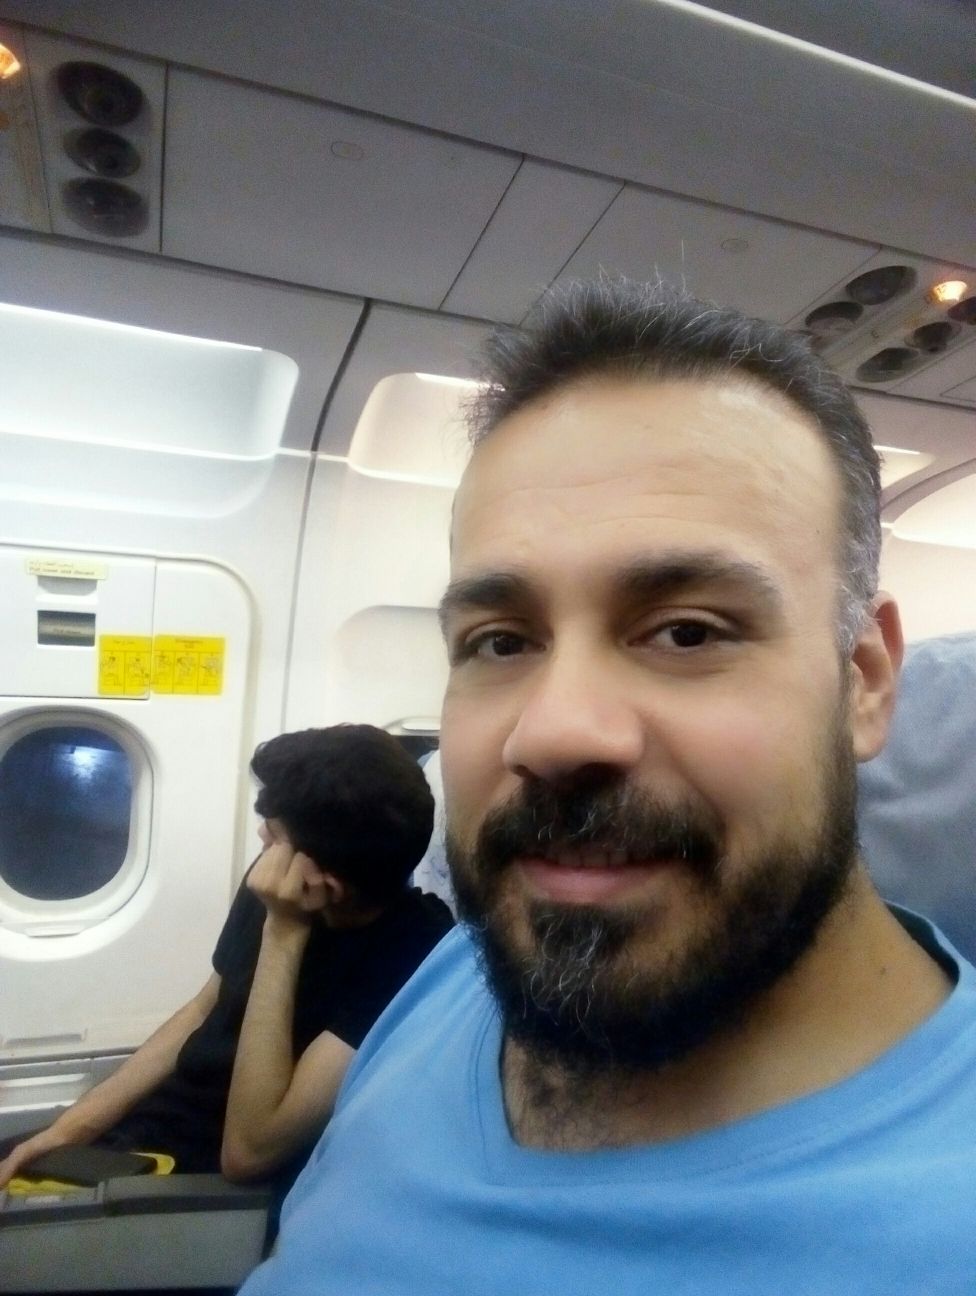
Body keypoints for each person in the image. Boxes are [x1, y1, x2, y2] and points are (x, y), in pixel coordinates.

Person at [239, 280, 976, 1295]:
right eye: (501, 641)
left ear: (863, 681)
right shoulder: (462, 972)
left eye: (687, 631)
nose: (552, 735)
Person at [0, 724, 453, 1194]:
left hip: (205, 1176)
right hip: (150, 1125)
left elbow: (249, 1154)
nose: (261, 837)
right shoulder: (275, 881)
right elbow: (204, 1010)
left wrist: (283, 932)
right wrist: (70, 1128)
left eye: (273, 834)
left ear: (328, 885)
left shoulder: (411, 953)